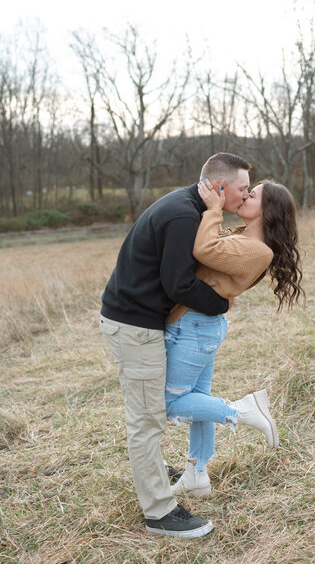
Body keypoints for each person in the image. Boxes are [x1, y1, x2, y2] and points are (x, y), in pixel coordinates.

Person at [99, 153, 251, 538]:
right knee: (147, 420)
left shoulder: (189, 207)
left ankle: (161, 474)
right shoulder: (184, 216)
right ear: (219, 187)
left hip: (140, 320)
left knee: (152, 412)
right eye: (242, 188)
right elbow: (178, 284)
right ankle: (159, 512)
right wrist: (221, 305)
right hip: (134, 325)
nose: (246, 196)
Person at [164, 176, 304, 498]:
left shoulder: (257, 250)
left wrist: (214, 208)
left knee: (172, 403)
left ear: (267, 210)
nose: (243, 197)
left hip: (195, 329)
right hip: (201, 326)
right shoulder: (245, 237)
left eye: (251, 195)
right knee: (199, 400)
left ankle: (242, 412)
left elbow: (204, 249)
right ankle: (197, 473)